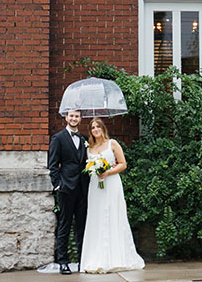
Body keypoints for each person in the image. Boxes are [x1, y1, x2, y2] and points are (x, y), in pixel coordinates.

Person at [80, 117, 145, 273]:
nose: (96, 130)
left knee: (114, 216)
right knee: (98, 218)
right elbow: (87, 167)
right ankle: (97, 258)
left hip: (112, 184)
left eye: (98, 127)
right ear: (90, 131)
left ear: (103, 129)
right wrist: (95, 171)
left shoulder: (112, 144)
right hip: (96, 186)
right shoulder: (89, 149)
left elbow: (123, 164)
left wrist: (107, 172)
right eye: (93, 128)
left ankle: (117, 258)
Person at [48, 109, 89, 273]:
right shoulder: (58, 138)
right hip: (66, 188)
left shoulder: (84, 138)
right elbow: (53, 164)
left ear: (80, 119)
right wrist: (57, 185)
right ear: (66, 118)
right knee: (64, 225)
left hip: (83, 188)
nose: (74, 118)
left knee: (82, 225)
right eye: (71, 116)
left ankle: (82, 260)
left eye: (77, 116)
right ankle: (63, 262)